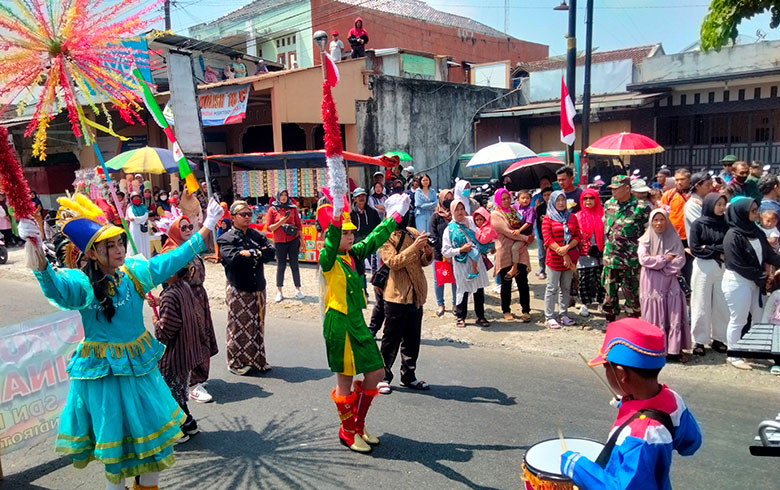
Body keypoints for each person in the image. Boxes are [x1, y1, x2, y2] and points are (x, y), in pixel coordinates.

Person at [19, 193, 224, 490]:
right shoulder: (82, 283)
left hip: (140, 374)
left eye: (119, 244)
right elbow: (57, 289)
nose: (118, 250)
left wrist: (207, 225)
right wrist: (37, 255)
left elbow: (171, 260)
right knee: (117, 453)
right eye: (109, 246)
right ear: (91, 253)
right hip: (105, 376)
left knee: (154, 449)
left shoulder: (134, 273)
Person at [560, 318, 702, 489]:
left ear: (621, 374)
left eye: (606, 367)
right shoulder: (674, 399)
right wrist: (630, 408)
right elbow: (691, 444)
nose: (605, 372)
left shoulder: (638, 435)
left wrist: (576, 466)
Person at [319, 193, 407, 453]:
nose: (349, 236)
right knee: (345, 381)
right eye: (345, 233)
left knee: (376, 372)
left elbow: (374, 238)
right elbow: (333, 240)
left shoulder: (353, 255)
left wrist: (395, 217)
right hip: (339, 321)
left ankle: (358, 423)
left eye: (350, 233)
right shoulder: (329, 257)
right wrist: (336, 220)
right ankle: (347, 431)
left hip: (357, 319)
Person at [160, 216, 219, 403]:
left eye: (190, 226)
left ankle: (198, 378)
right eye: (183, 227)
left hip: (198, 296)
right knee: (189, 339)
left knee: (202, 336)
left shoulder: (191, 249)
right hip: (182, 299)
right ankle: (191, 384)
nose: (187, 230)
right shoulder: (172, 251)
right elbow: (166, 278)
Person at [376, 205, 433, 395]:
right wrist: (414, 247)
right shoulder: (383, 235)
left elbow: (423, 262)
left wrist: (427, 250)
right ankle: (383, 377)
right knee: (390, 339)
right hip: (396, 296)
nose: (404, 216)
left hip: (416, 293)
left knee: (412, 339)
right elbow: (393, 262)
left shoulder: (412, 232)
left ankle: (409, 376)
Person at [217, 201, 275, 376]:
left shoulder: (256, 235)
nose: (247, 217)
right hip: (239, 288)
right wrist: (257, 253)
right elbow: (234, 260)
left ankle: (256, 360)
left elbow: (270, 253)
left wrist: (252, 253)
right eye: (243, 214)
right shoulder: (225, 238)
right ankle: (235, 362)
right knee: (238, 326)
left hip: (258, 287)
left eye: (249, 214)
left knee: (257, 324)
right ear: (233, 217)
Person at [722, 198, 780, 370]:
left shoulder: (756, 231)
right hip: (738, 281)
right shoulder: (732, 235)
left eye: (757, 210)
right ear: (742, 213)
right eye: (753, 211)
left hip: (755, 282)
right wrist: (763, 276)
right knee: (738, 319)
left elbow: (769, 255)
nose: (757, 213)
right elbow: (736, 264)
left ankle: (752, 350)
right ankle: (733, 354)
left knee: (759, 316)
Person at [154, 261, 203, 444]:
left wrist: (155, 322)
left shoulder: (170, 295)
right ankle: (189, 423)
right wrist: (161, 301)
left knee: (170, 395)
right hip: (186, 352)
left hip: (174, 356)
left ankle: (178, 431)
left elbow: (167, 329)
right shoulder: (183, 287)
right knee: (178, 393)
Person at [638, 209, 689, 362]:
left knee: (673, 312)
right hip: (651, 283)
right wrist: (665, 259)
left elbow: (680, 259)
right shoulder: (645, 240)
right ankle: (654, 348)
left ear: (667, 221)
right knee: (653, 314)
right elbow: (643, 260)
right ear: (651, 222)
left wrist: (663, 267)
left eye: (662, 220)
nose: (659, 223)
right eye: (655, 220)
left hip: (670, 281)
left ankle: (674, 350)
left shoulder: (674, 238)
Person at [602, 176, 651, 322]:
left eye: (616, 189)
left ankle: (632, 323)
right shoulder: (608, 205)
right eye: (612, 189)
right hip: (610, 258)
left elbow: (649, 233)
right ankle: (610, 321)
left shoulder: (641, 207)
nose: (613, 192)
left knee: (632, 294)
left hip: (631, 260)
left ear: (627, 188)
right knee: (609, 294)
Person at [688, 193, 729, 357]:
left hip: (722, 267)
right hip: (703, 266)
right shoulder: (699, 224)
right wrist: (717, 251)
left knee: (722, 303)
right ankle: (699, 340)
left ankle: (719, 338)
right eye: (718, 204)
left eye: (723, 204)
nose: (721, 208)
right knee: (700, 302)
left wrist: (709, 248)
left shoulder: (726, 224)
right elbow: (695, 248)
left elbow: (728, 245)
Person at [441, 202, 492, 328]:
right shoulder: (450, 229)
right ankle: (460, 316)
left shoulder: (472, 222)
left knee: (479, 290)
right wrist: (461, 250)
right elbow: (445, 251)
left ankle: (480, 316)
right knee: (463, 290)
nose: (460, 212)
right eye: (457, 209)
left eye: (462, 209)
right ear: (452, 211)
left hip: (476, 261)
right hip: (461, 263)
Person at [541, 191, 581, 329]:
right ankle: (549, 316)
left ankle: (563, 314)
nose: (561, 203)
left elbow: (577, 236)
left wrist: (568, 247)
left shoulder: (572, 217)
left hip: (569, 260)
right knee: (552, 288)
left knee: (565, 288)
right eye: (558, 200)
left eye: (563, 200)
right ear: (552, 202)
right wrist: (564, 253)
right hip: (554, 259)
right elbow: (547, 239)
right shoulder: (548, 218)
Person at [492, 188, 533, 322]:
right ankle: (506, 310)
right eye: (503, 199)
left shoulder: (516, 210)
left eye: (508, 198)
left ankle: (526, 310)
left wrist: (526, 236)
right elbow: (507, 232)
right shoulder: (496, 214)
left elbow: (527, 222)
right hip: (504, 250)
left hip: (519, 251)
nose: (506, 201)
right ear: (498, 200)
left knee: (522, 282)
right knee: (506, 283)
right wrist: (527, 239)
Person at [265, 190, 305, 302]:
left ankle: (298, 289)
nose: (283, 197)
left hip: (293, 240)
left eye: (285, 195)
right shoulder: (272, 210)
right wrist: (281, 221)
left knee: (295, 264)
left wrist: (302, 240)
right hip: (279, 241)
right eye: (281, 195)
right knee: (281, 266)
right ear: (277, 197)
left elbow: (298, 225)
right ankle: (279, 291)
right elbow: (269, 227)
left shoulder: (292, 208)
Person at [576, 188, 605, 317]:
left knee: (601, 279)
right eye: (585, 198)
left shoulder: (604, 214)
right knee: (584, 279)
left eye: (591, 198)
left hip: (601, 253)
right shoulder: (577, 216)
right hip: (584, 254)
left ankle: (601, 302)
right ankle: (585, 303)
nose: (588, 201)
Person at [429, 189, 457, 317]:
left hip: (455, 253)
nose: (449, 200)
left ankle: (456, 304)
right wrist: (441, 250)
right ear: (440, 199)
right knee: (439, 280)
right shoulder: (435, 216)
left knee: (455, 279)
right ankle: (441, 304)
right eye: (446, 197)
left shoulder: (456, 215)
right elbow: (432, 235)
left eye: (451, 197)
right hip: (440, 254)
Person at [660, 168, 690, 242]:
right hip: (671, 234)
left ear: (689, 180)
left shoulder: (695, 194)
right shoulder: (668, 195)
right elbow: (662, 213)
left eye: (682, 179)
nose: (679, 182)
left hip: (690, 235)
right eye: (677, 180)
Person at [682, 172, 712, 239]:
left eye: (711, 184)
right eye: (708, 185)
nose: (711, 187)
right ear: (697, 186)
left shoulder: (706, 202)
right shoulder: (691, 205)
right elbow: (703, 226)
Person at [534, 186, 553, 279]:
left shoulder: (556, 206)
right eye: (545, 195)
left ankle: (552, 271)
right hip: (542, 235)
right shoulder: (540, 208)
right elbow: (537, 223)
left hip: (554, 235)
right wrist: (541, 236)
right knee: (542, 254)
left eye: (549, 195)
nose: (547, 197)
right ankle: (542, 270)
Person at [126, 191, 151, 259]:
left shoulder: (144, 207)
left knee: (144, 243)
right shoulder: (130, 208)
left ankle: (145, 258)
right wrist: (142, 220)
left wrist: (138, 220)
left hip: (143, 228)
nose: (136, 199)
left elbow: (146, 215)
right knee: (135, 242)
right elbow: (132, 218)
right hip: (135, 228)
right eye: (134, 198)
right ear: (131, 199)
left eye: (137, 197)